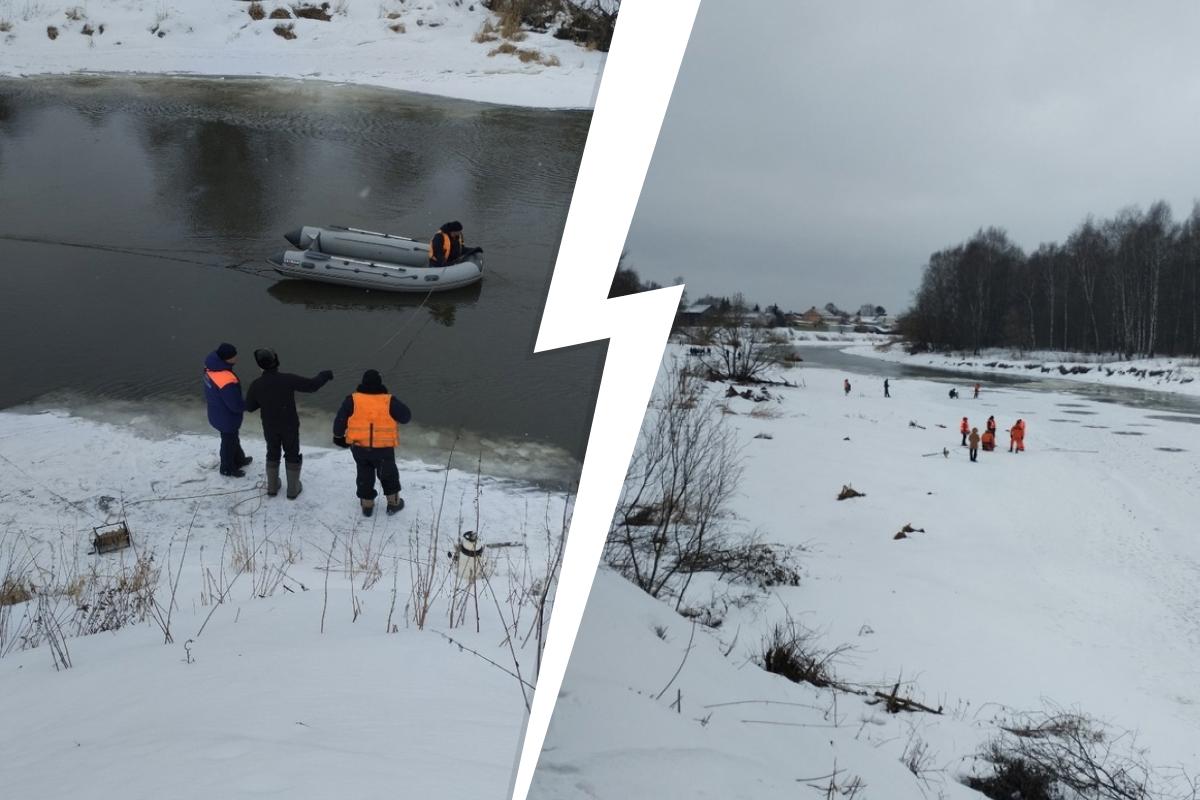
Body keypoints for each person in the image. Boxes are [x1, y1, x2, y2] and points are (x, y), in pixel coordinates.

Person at [245, 349, 334, 500]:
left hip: (270, 425)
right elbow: (312, 386)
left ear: (260, 366)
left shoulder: (256, 384)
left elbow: (250, 407)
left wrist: (265, 398)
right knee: (292, 453)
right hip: (289, 424)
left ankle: (272, 487)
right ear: (276, 362)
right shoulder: (287, 379)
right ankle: (293, 489)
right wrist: (324, 375)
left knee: (272, 452)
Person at [333, 369, 413, 517]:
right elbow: (406, 417)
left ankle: (367, 506)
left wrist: (338, 436)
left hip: (359, 448)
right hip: (383, 449)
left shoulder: (352, 400)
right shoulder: (388, 400)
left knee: (364, 475)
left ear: (363, 383)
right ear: (380, 383)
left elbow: (340, 421)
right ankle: (393, 504)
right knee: (388, 475)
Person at [203, 343, 252, 477]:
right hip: (226, 417)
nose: (237, 357)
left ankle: (239, 459)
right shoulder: (226, 379)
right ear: (227, 359)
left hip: (216, 411)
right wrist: (250, 405)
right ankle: (227, 468)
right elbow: (235, 405)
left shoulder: (211, 368)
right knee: (228, 443)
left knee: (232, 438)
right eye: (234, 355)